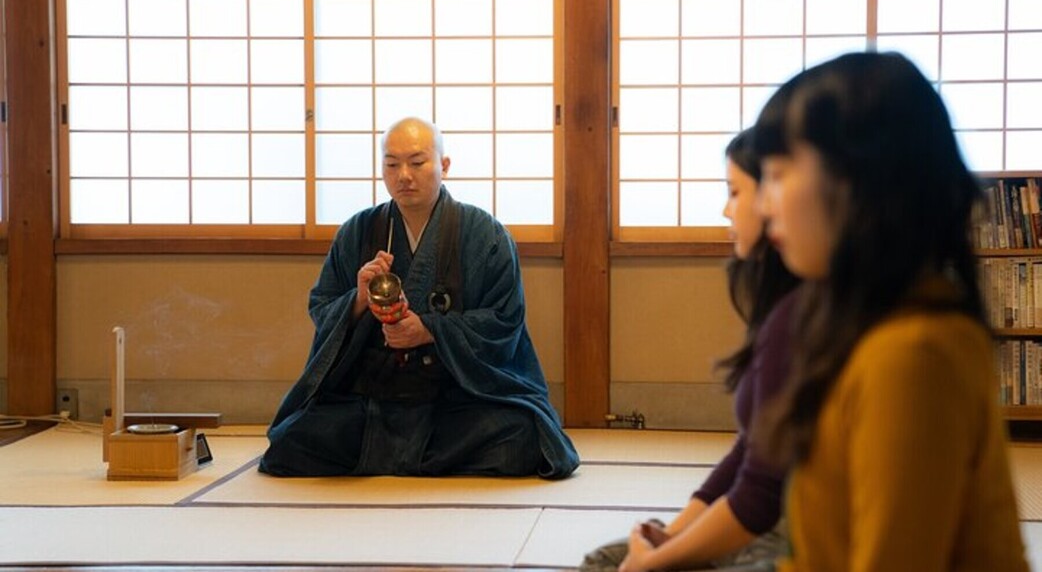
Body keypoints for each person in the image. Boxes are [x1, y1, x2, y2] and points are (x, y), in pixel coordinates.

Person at [753, 52, 1029, 571]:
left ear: (856, 180)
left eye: (777, 174)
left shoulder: (912, 355)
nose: (763, 205)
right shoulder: (860, 327)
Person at [259, 116, 579, 479]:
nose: (404, 176)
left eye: (416, 162)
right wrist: (358, 300)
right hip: (372, 398)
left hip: (455, 396)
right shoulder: (357, 231)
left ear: (444, 165)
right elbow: (322, 306)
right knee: (289, 443)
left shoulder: (485, 234)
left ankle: (386, 457)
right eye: (391, 164)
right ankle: (425, 459)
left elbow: (505, 320)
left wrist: (429, 330)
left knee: (521, 439)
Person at [582, 128, 800, 572]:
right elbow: (749, 454)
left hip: (793, 536)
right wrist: (673, 534)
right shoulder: (784, 305)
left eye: (735, 191)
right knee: (604, 561)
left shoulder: (814, 317)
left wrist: (657, 560)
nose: (726, 209)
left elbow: (759, 497)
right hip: (766, 523)